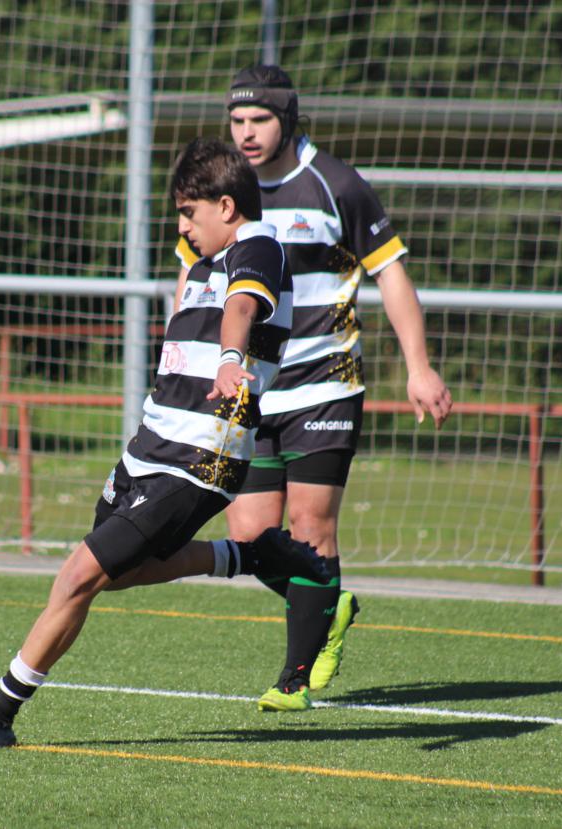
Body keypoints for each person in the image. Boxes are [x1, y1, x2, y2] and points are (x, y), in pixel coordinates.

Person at [0, 137, 329, 749]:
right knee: (115, 575)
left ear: (227, 206)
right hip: (150, 446)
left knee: (77, 576)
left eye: (189, 212)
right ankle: (250, 556)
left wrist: (231, 359)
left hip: (201, 458)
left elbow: (240, 310)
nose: (183, 226)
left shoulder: (257, 246)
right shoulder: (203, 262)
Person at [175, 66, 453, 712]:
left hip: (324, 383)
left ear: (289, 118)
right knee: (250, 536)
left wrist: (419, 367)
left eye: (260, 120)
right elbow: (192, 284)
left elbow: (391, 275)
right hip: (252, 387)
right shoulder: (222, 193)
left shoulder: (336, 185)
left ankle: (294, 679)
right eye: (237, 121)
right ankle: (331, 599)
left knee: (311, 525)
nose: (246, 133)